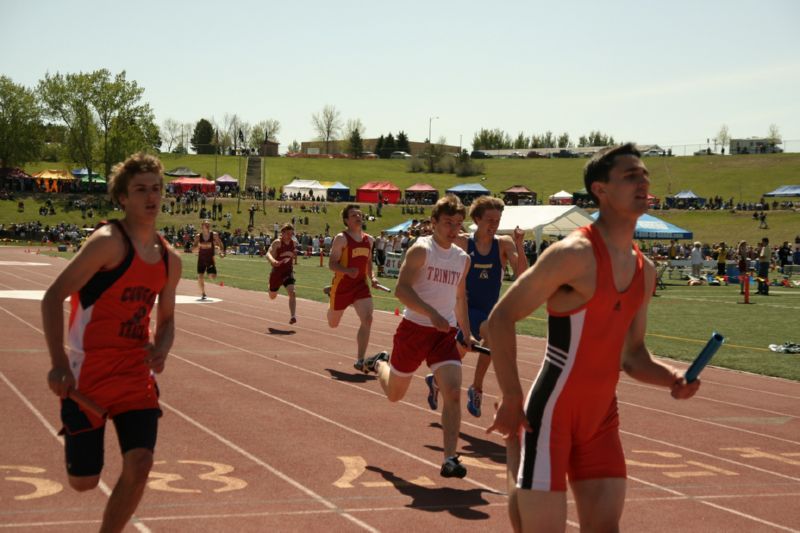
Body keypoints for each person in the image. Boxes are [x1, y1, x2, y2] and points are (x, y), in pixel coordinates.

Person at [486, 144, 700, 532]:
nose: (643, 182)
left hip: (602, 419)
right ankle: (517, 450)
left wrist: (672, 377)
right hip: (551, 415)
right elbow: (500, 318)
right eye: (630, 175)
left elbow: (633, 355)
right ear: (600, 189)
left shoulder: (645, 270)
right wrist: (513, 396)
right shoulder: (573, 254)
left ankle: (519, 454)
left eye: (645, 175)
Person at [41, 152, 181, 533]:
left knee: (140, 464)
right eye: (140, 190)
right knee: (84, 482)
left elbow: (167, 320)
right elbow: (53, 297)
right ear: (123, 197)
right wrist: (57, 362)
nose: (151, 197)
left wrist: (162, 347)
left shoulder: (170, 260)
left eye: (156, 189)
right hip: (89, 374)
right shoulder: (107, 242)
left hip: (136, 375)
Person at [361, 195, 475, 478]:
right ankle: (379, 364)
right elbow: (401, 290)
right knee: (395, 395)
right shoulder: (421, 250)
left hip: (444, 334)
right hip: (414, 331)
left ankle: (450, 458)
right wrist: (431, 313)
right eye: (448, 223)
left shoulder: (463, 259)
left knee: (452, 391)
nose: (453, 229)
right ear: (433, 223)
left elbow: (460, 297)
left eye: (458, 224)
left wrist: (466, 332)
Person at [432, 195, 527, 419]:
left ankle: (440, 380)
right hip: (465, 308)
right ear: (477, 219)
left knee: (462, 352)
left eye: (498, 219)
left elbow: (522, 274)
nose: (494, 224)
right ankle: (475, 387)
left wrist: (520, 246)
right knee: (490, 334)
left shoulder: (503, 243)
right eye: (490, 220)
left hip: (489, 309)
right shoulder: (464, 242)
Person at [326, 205, 380, 370]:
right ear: (346, 220)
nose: (358, 216)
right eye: (353, 214)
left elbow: (368, 262)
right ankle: (331, 294)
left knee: (368, 319)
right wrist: (347, 270)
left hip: (360, 286)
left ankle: (360, 360)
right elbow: (331, 263)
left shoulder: (369, 240)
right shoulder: (341, 239)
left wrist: (372, 277)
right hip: (342, 285)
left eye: (359, 214)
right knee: (333, 323)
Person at [267, 223, 298, 324]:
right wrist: (273, 261)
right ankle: (270, 287)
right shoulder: (277, 243)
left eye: (291, 233)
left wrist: (292, 262)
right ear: (283, 233)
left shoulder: (293, 243)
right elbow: (268, 254)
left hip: (287, 272)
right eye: (288, 233)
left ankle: (293, 316)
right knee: (272, 296)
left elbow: (291, 256)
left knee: (292, 292)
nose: (290, 235)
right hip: (276, 273)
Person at [192, 219, 224, 300]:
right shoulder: (198, 236)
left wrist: (221, 251)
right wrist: (198, 246)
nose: (207, 226)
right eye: (206, 225)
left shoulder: (214, 235)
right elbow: (193, 249)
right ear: (202, 226)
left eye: (208, 225)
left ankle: (209, 273)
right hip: (201, 259)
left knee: (212, 276)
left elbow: (220, 243)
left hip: (210, 259)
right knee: (200, 276)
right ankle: (203, 293)